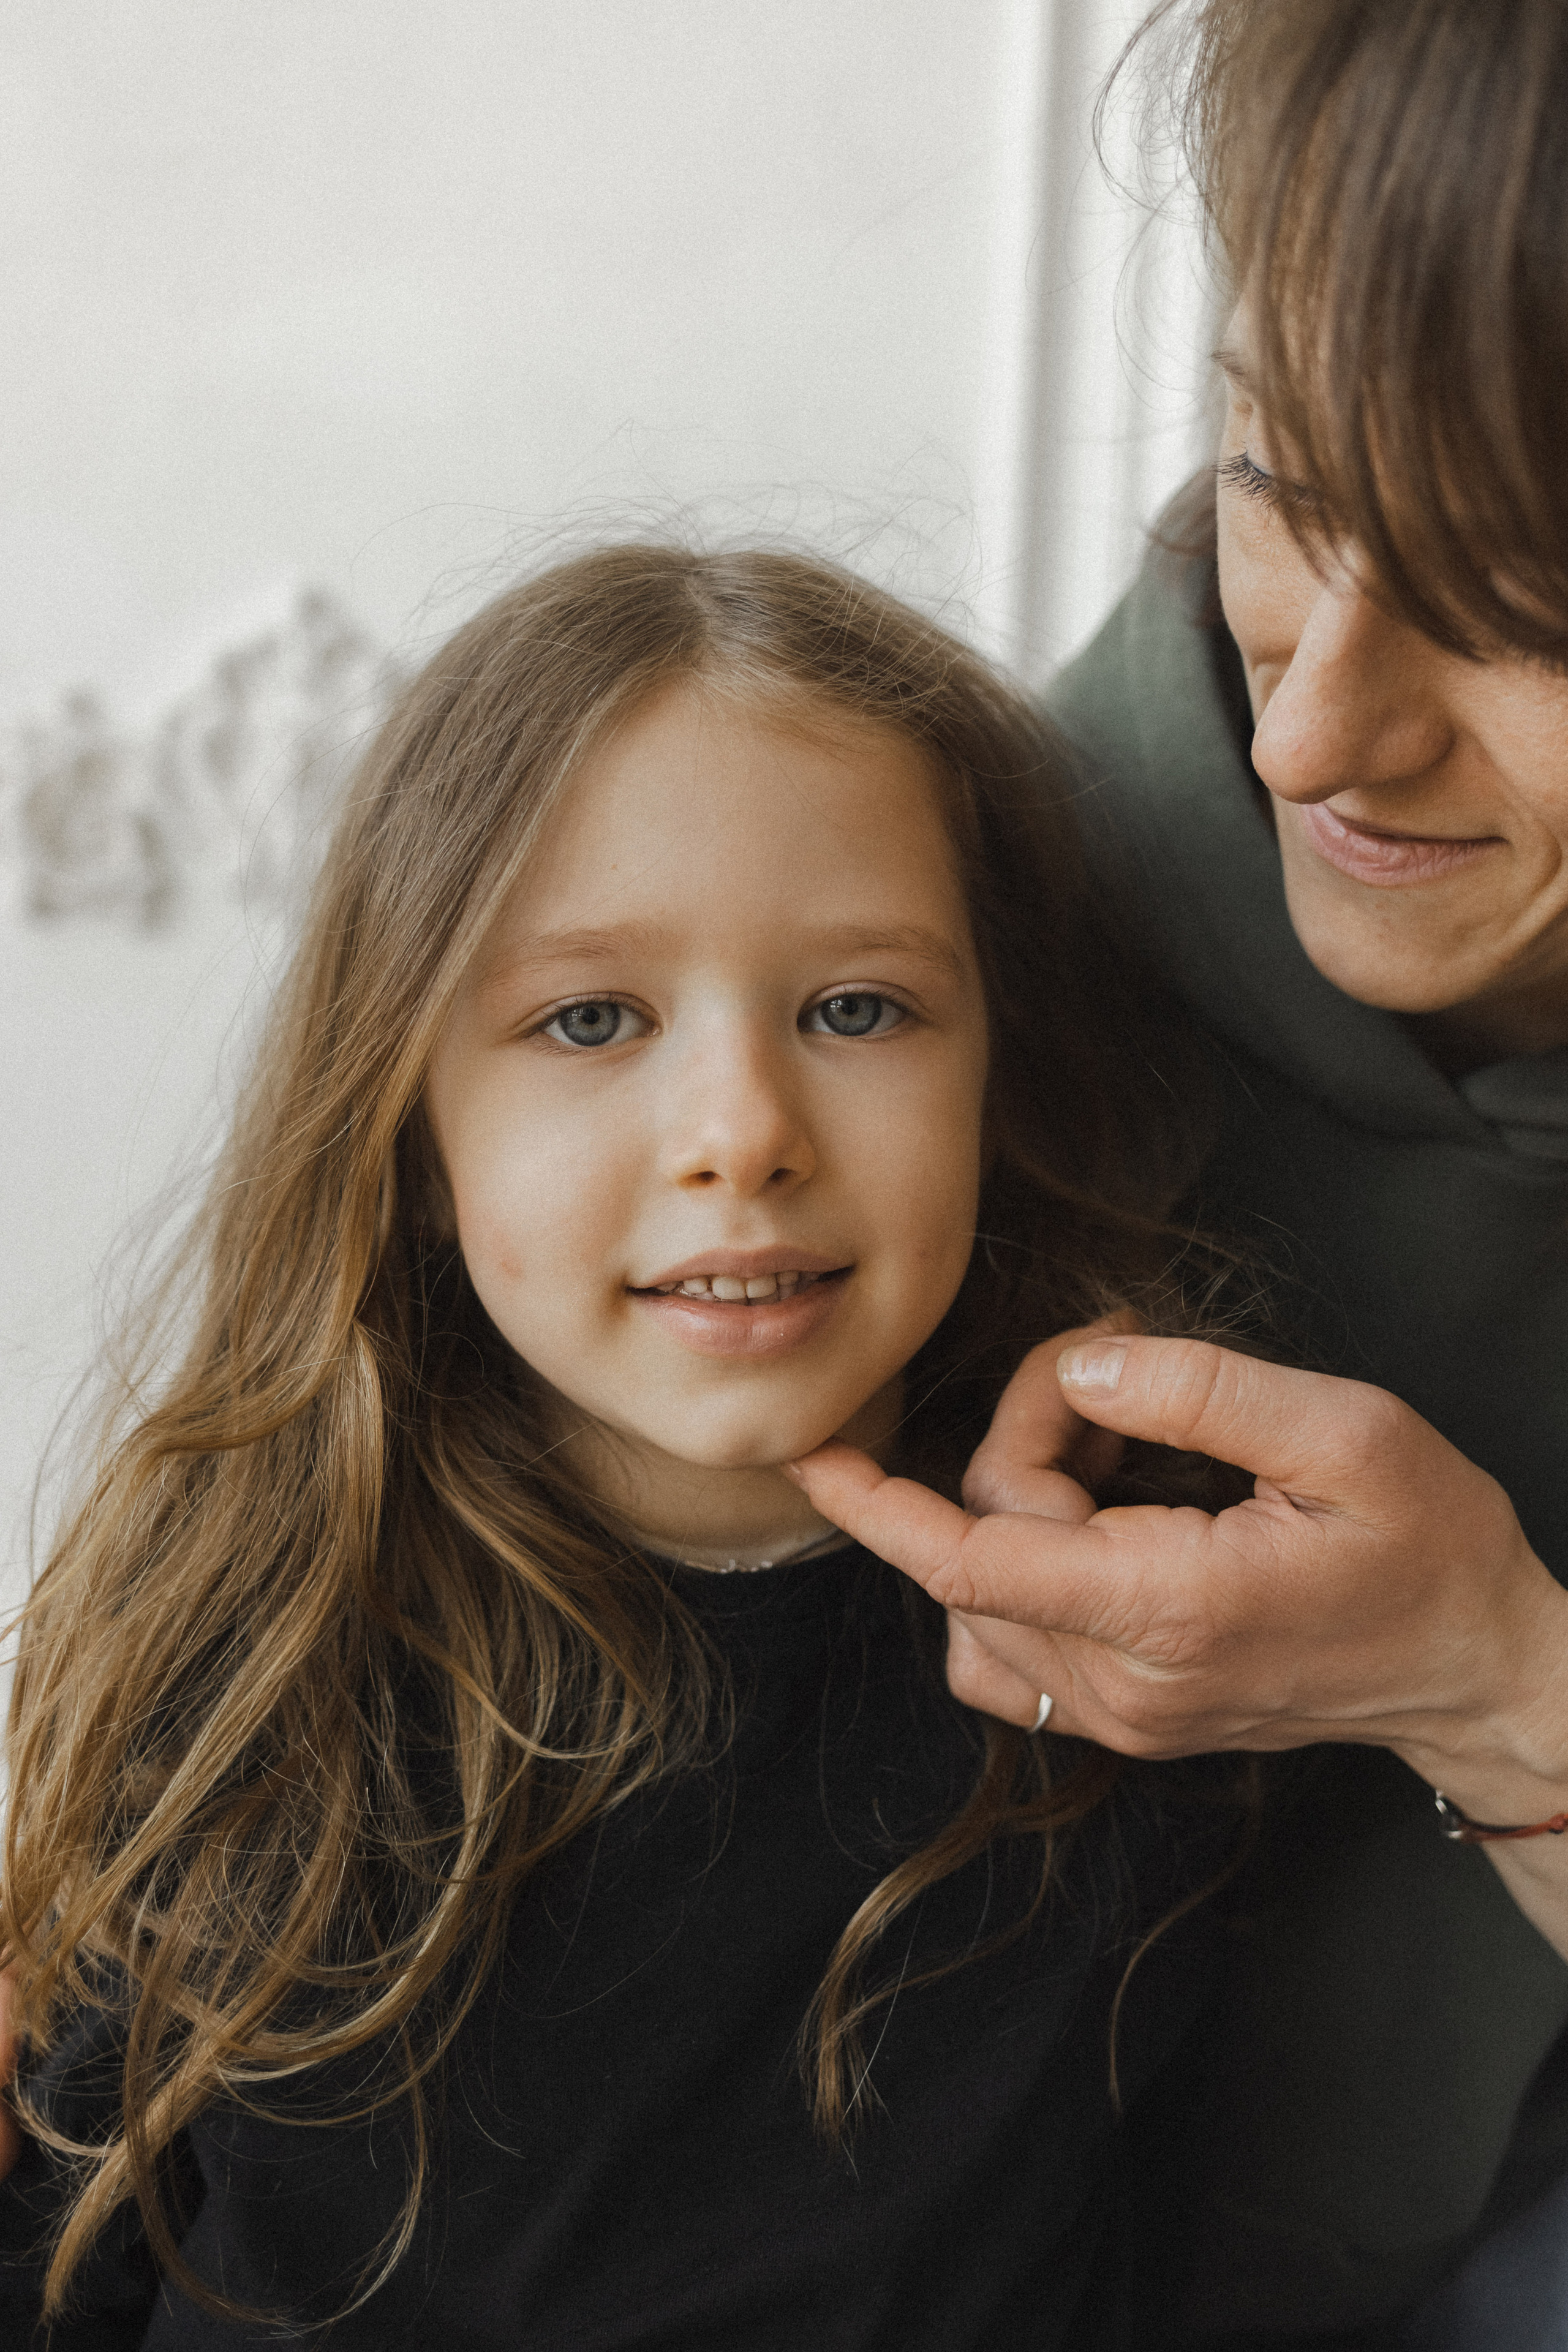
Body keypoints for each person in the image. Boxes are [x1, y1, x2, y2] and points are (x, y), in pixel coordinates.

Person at [0, 544, 1249, 2348]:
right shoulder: (242, 1628)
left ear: (1001, 1076)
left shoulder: (1154, 1620)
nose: (742, 1131)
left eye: (857, 1008)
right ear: (413, 1134)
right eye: (592, 1019)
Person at [790, 1, 1568, 2340]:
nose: (1315, 730)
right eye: (1278, 480)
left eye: (1524, 597)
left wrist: (1492, 1682)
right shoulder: (908, 953)